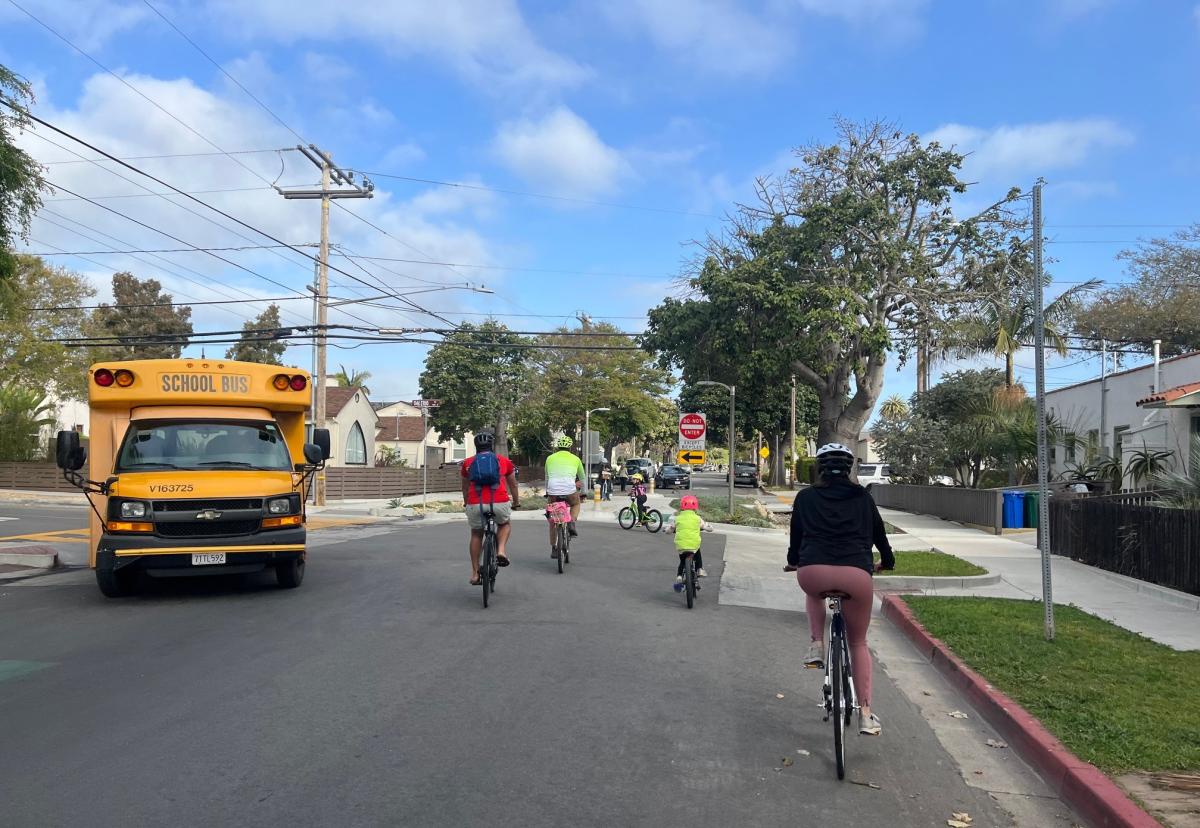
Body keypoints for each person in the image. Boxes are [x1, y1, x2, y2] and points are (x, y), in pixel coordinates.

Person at [785, 442, 894, 736]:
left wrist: (794, 561)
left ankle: (816, 645)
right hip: (856, 574)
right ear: (850, 469)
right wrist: (887, 561)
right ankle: (866, 714)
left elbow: (796, 538)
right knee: (857, 643)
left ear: (819, 468)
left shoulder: (806, 497)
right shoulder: (863, 498)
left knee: (813, 592)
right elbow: (879, 536)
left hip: (812, 572)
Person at [461, 430, 519, 585]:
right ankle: (500, 550)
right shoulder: (503, 461)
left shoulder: (467, 463)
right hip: (499, 501)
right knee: (505, 524)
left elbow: (465, 487)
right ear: (491, 445)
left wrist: (467, 502)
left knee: (476, 534)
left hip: (476, 503)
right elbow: (513, 484)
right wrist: (516, 502)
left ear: (476, 447)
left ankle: (474, 574)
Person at [544, 435, 585, 557]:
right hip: (569, 490)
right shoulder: (576, 459)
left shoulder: (549, 458)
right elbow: (582, 478)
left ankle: (553, 548)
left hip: (553, 491)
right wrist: (583, 492)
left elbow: (547, 477)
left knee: (552, 520)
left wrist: (548, 492)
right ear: (570, 448)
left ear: (558, 447)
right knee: (576, 503)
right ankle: (571, 522)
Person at [667, 494, 711, 583]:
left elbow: (670, 529)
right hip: (693, 545)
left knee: (682, 560)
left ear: (682, 506)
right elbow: (708, 527)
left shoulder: (678, 518)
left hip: (681, 545)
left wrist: (667, 530)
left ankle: (679, 575)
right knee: (697, 550)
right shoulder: (697, 518)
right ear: (695, 506)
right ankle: (699, 569)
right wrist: (709, 527)